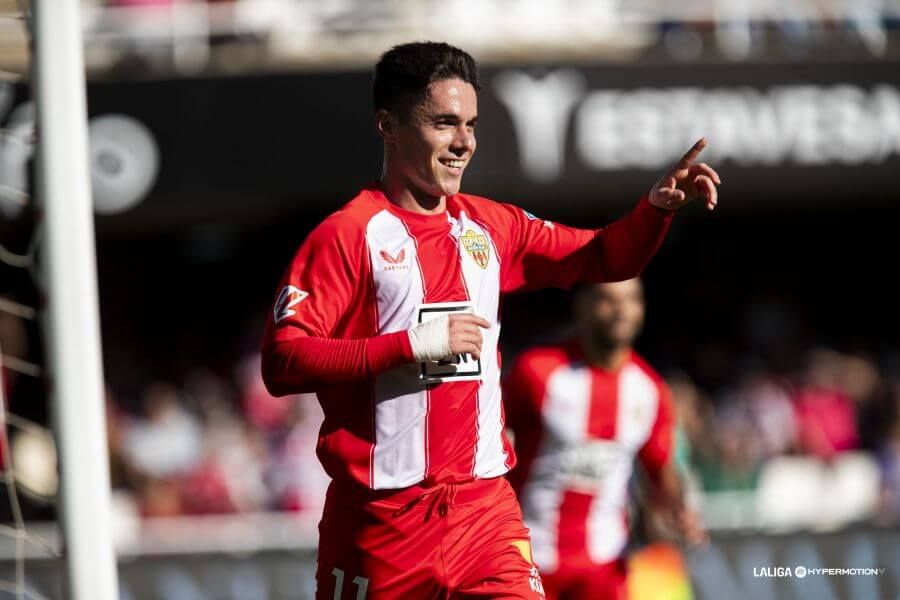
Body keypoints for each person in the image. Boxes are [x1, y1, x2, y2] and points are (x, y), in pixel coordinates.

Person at [261, 41, 720, 599]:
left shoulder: (490, 228)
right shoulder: (347, 234)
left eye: (472, 125)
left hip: (485, 514)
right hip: (382, 524)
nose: (464, 142)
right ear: (388, 125)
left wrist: (655, 211)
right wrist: (411, 343)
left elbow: (604, 256)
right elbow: (283, 361)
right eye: (445, 123)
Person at [503, 278, 708, 600]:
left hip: (605, 566)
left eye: (631, 300)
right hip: (527, 559)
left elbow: (660, 468)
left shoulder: (649, 389)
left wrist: (679, 509)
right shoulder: (537, 371)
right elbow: (492, 445)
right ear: (582, 306)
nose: (621, 310)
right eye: (608, 299)